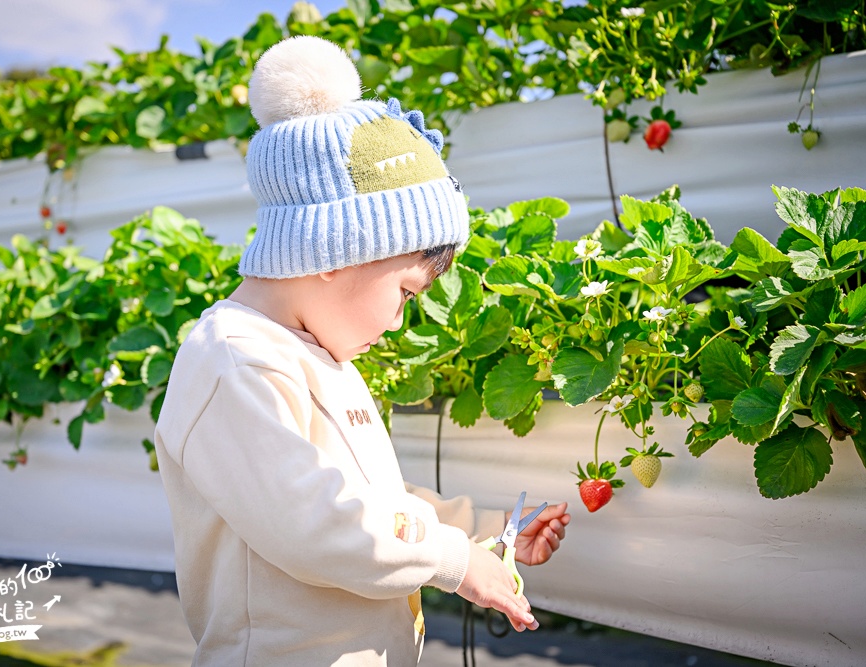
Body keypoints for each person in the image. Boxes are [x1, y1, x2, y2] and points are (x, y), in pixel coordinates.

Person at [154, 35, 571, 666]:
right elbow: (320, 523)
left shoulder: (319, 354)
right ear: (334, 249)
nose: (401, 321)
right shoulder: (233, 360)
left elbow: (378, 502)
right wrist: (456, 562)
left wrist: (491, 533)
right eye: (405, 292)